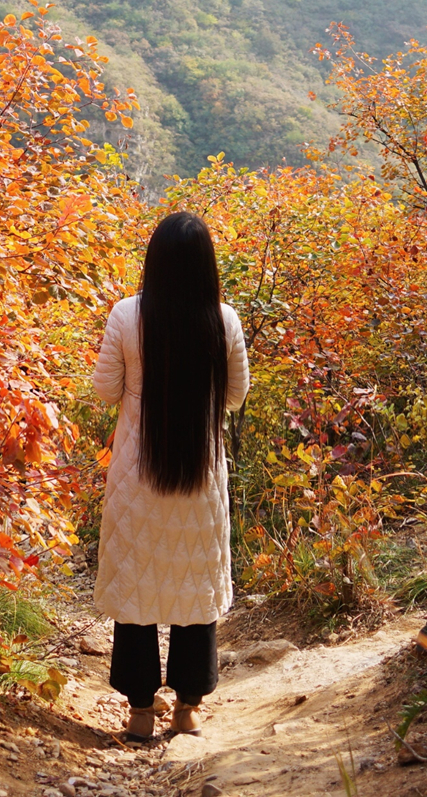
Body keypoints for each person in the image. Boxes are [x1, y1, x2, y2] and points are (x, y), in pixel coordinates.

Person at [92, 211, 250, 740]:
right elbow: (234, 397)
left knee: (136, 586)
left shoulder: (125, 314)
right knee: (194, 583)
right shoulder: (222, 319)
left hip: (137, 476)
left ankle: (139, 713)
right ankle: (187, 709)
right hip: (199, 479)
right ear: (207, 266)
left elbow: (105, 389)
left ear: (153, 262)